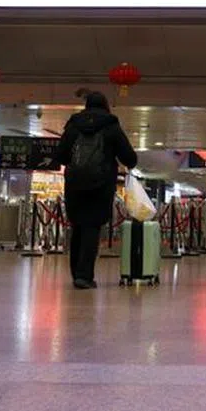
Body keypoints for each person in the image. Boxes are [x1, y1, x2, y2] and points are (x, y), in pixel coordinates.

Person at [55, 92, 137, 290]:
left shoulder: (73, 126)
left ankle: (76, 273)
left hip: (74, 184)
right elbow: (130, 158)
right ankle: (84, 275)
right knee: (92, 226)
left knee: (78, 226)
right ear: (106, 106)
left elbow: (61, 156)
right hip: (101, 185)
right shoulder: (111, 127)